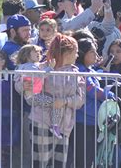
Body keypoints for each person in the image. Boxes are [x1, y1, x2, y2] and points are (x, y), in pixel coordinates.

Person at [28, 33, 85, 167]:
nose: (77, 55)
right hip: (41, 121)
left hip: (64, 127)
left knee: (58, 164)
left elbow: (80, 99)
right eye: (75, 52)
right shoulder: (42, 67)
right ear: (65, 52)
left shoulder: (77, 73)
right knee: (40, 164)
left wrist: (65, 101)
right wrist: (48, 70)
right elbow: (31, 88)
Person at [72, 37, 116, 168]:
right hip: (82, 123)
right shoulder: (79, 70)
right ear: (82, 53)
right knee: (83, 160)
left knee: (91, 159)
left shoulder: (90, 70)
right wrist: (110, 95)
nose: (96, 55)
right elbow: (92, 90)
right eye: (92, 52)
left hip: (94, 122)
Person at [14, 45, 63, 138]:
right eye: (35, 51)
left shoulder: (26, 66)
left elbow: (39, 67)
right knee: (56, 103)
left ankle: (54, 125)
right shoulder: (28, 67)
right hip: (33, 96)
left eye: (40, 52)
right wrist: (50, 68)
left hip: (34, 95)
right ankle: (55, 125)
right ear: (26, 55)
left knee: (54, 103)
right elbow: (38, 75)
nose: (39, 54)